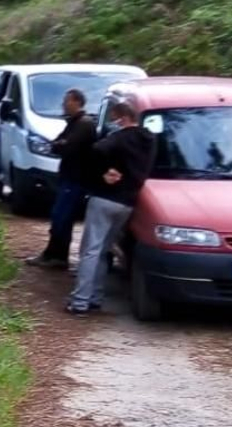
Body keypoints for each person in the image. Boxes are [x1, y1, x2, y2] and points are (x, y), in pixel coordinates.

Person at [66, 101, 156, 314]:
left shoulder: (117, 138)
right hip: (128, 203)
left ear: (122, 118)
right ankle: (95, 296)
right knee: (104, 250)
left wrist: (103, 173)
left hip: (105, 198)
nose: (112, 124)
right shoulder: (150, 141)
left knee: (90, 251)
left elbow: (93, 152)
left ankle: (80, 301)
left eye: (114, 119)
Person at [26, 88, 97, 269]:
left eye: (67, 101)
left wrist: (59, 145)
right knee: (59, 216)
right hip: (69, 176)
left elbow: (66, 146)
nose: (63, 105)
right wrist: (59, 145)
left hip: (76, 178)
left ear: (77, 102)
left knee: (62, 216)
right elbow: (57, 143)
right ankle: (54, 254)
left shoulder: (84, 124)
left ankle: (56, 256)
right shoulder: (74, 123)